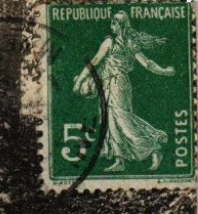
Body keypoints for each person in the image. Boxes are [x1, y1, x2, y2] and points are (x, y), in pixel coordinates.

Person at [73, 12, 174, 173]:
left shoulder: (111, 42)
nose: (111, 27)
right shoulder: (128, 42)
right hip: (113, 84)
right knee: (111, 120)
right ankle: (119, 159)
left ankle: (153, 146)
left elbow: (95, 61)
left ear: (120, 25)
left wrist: (79, 82)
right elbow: (147, 63)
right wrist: (163, 71)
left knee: (121, 119)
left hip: (117, 84)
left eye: (113, 24)